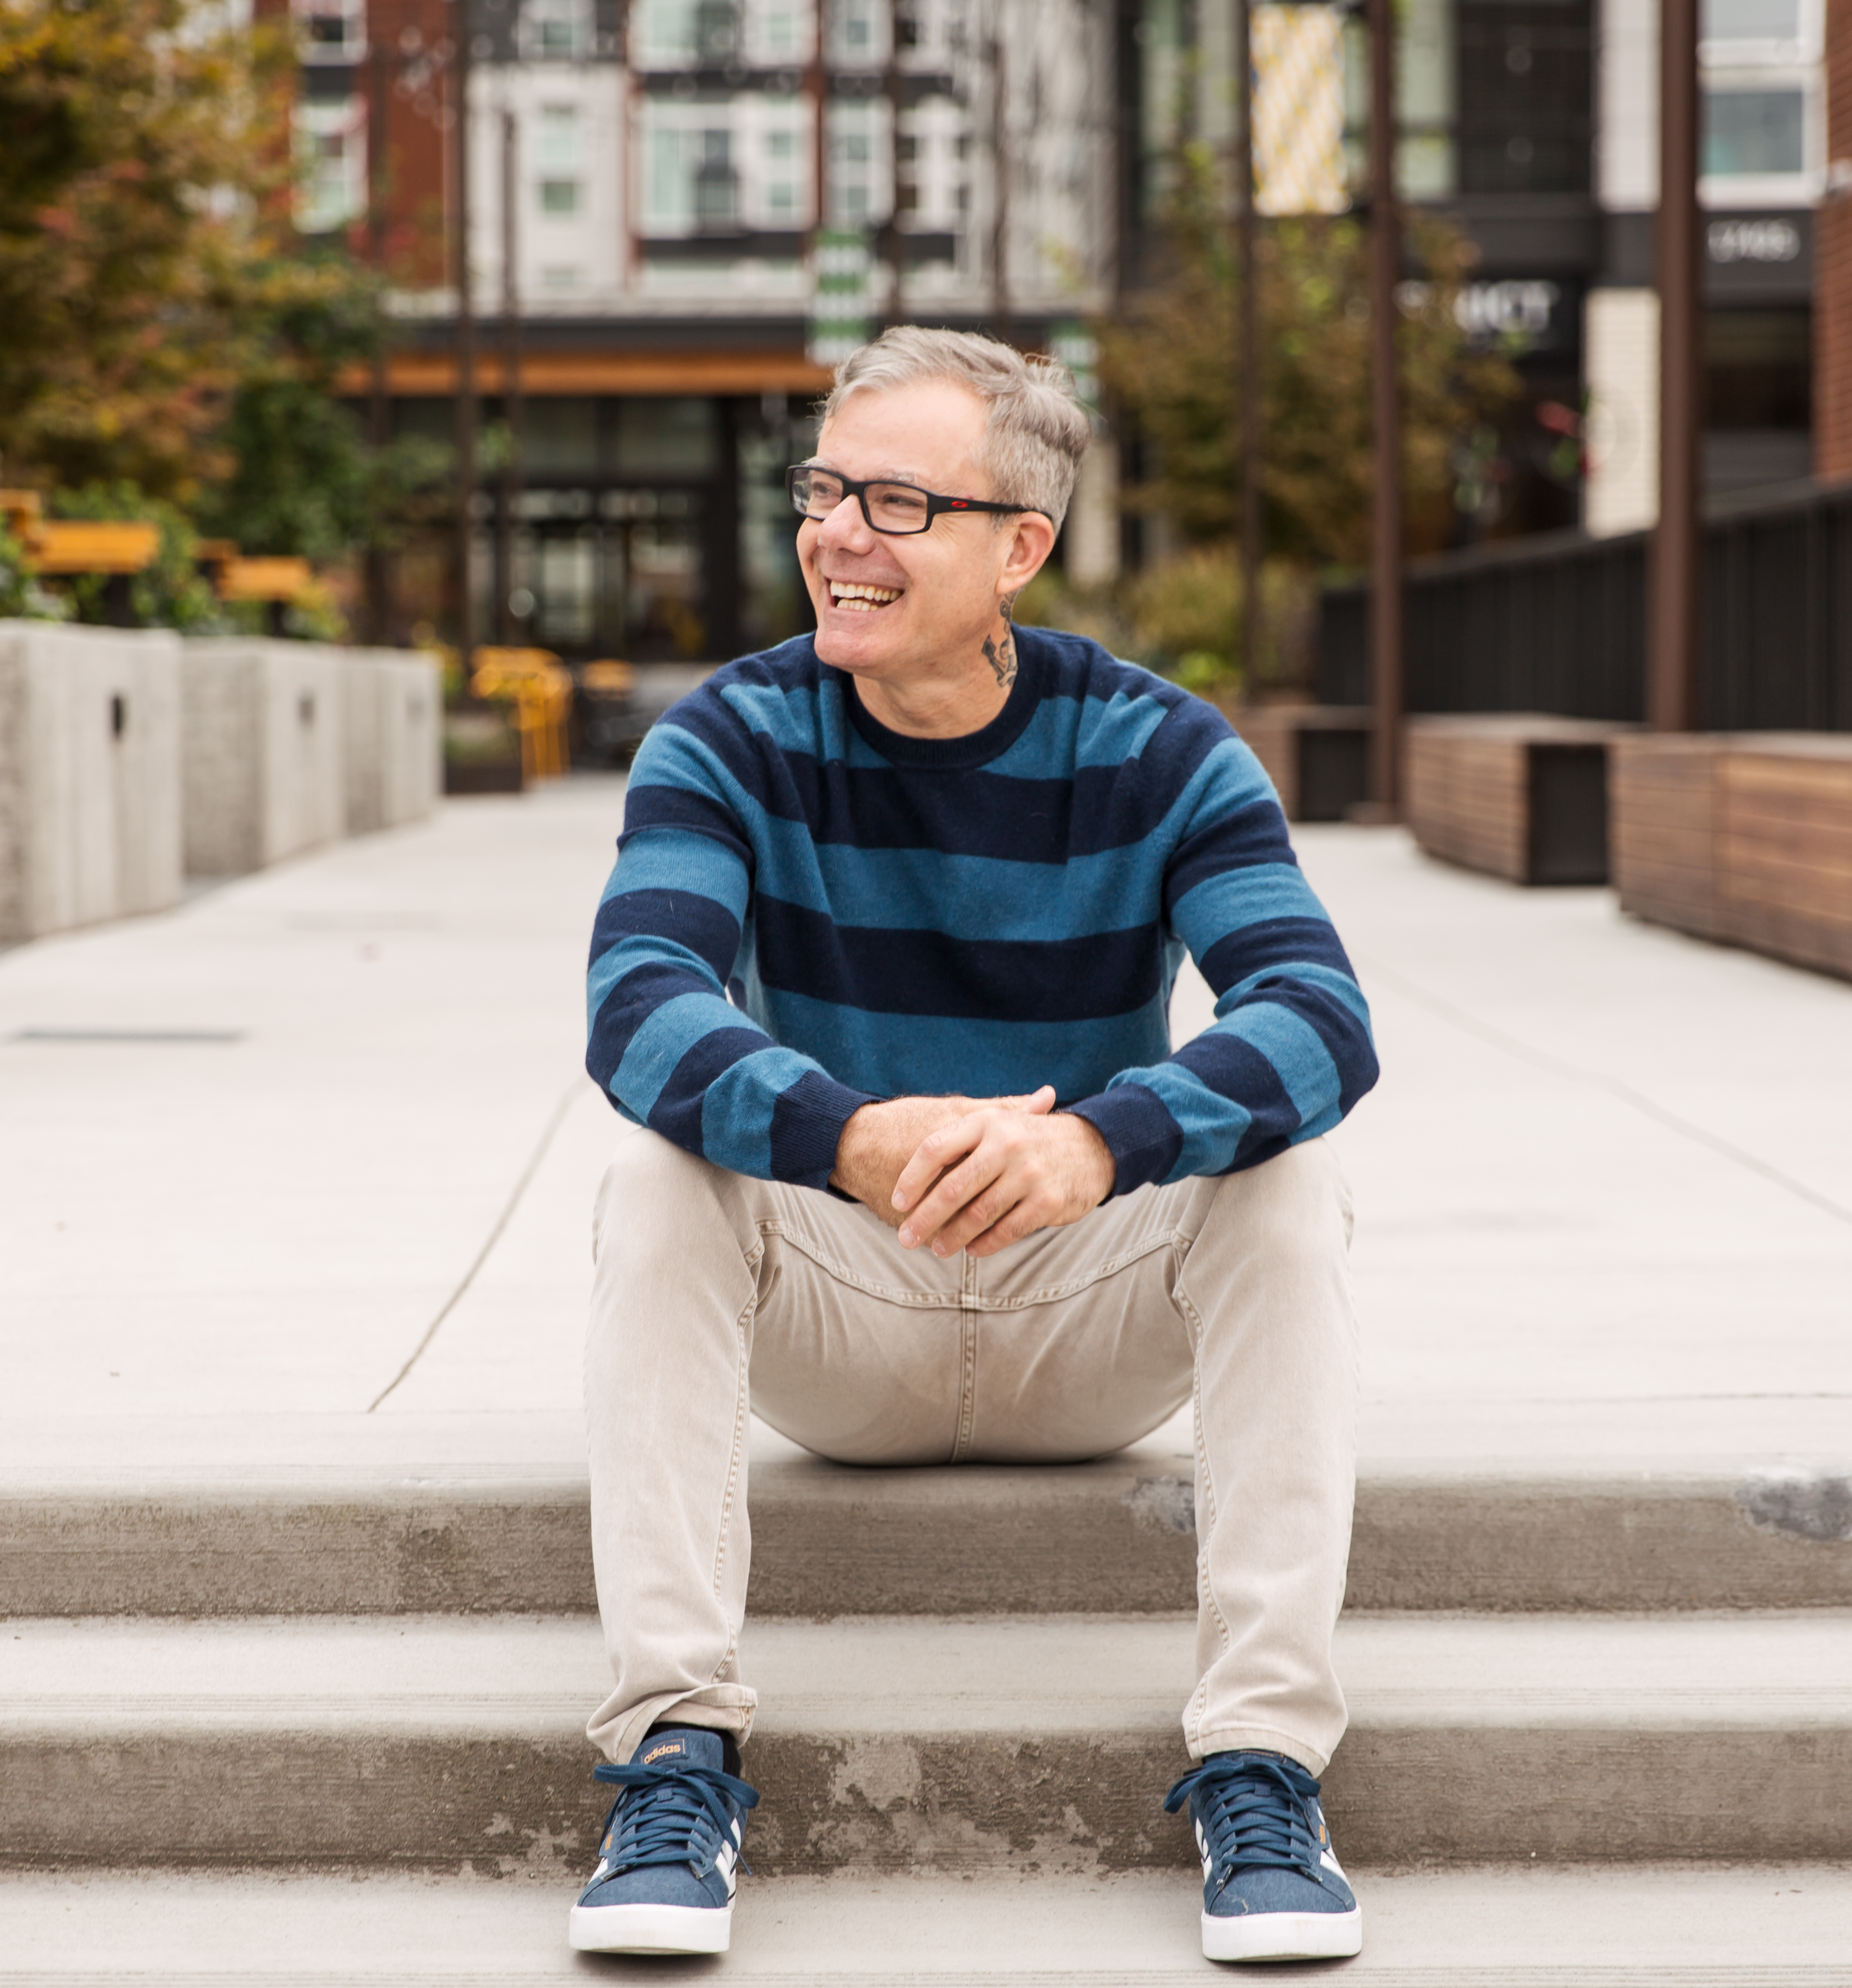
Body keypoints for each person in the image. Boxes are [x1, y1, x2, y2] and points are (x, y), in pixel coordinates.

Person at [571, 326, 1378, 1965]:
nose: (836, 534)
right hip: (841, 1323)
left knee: (1287, 1182)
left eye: (893, 499)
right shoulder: (726, 738)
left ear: (1021, 545)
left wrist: (1097, 1144)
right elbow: (637, 1008)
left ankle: (1260, 1765)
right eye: (822, 489)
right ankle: (674, 1755)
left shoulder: (1153, 749)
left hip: (1085, 1319)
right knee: (656, 1178)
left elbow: (1319, 1014)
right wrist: (853, 1135)